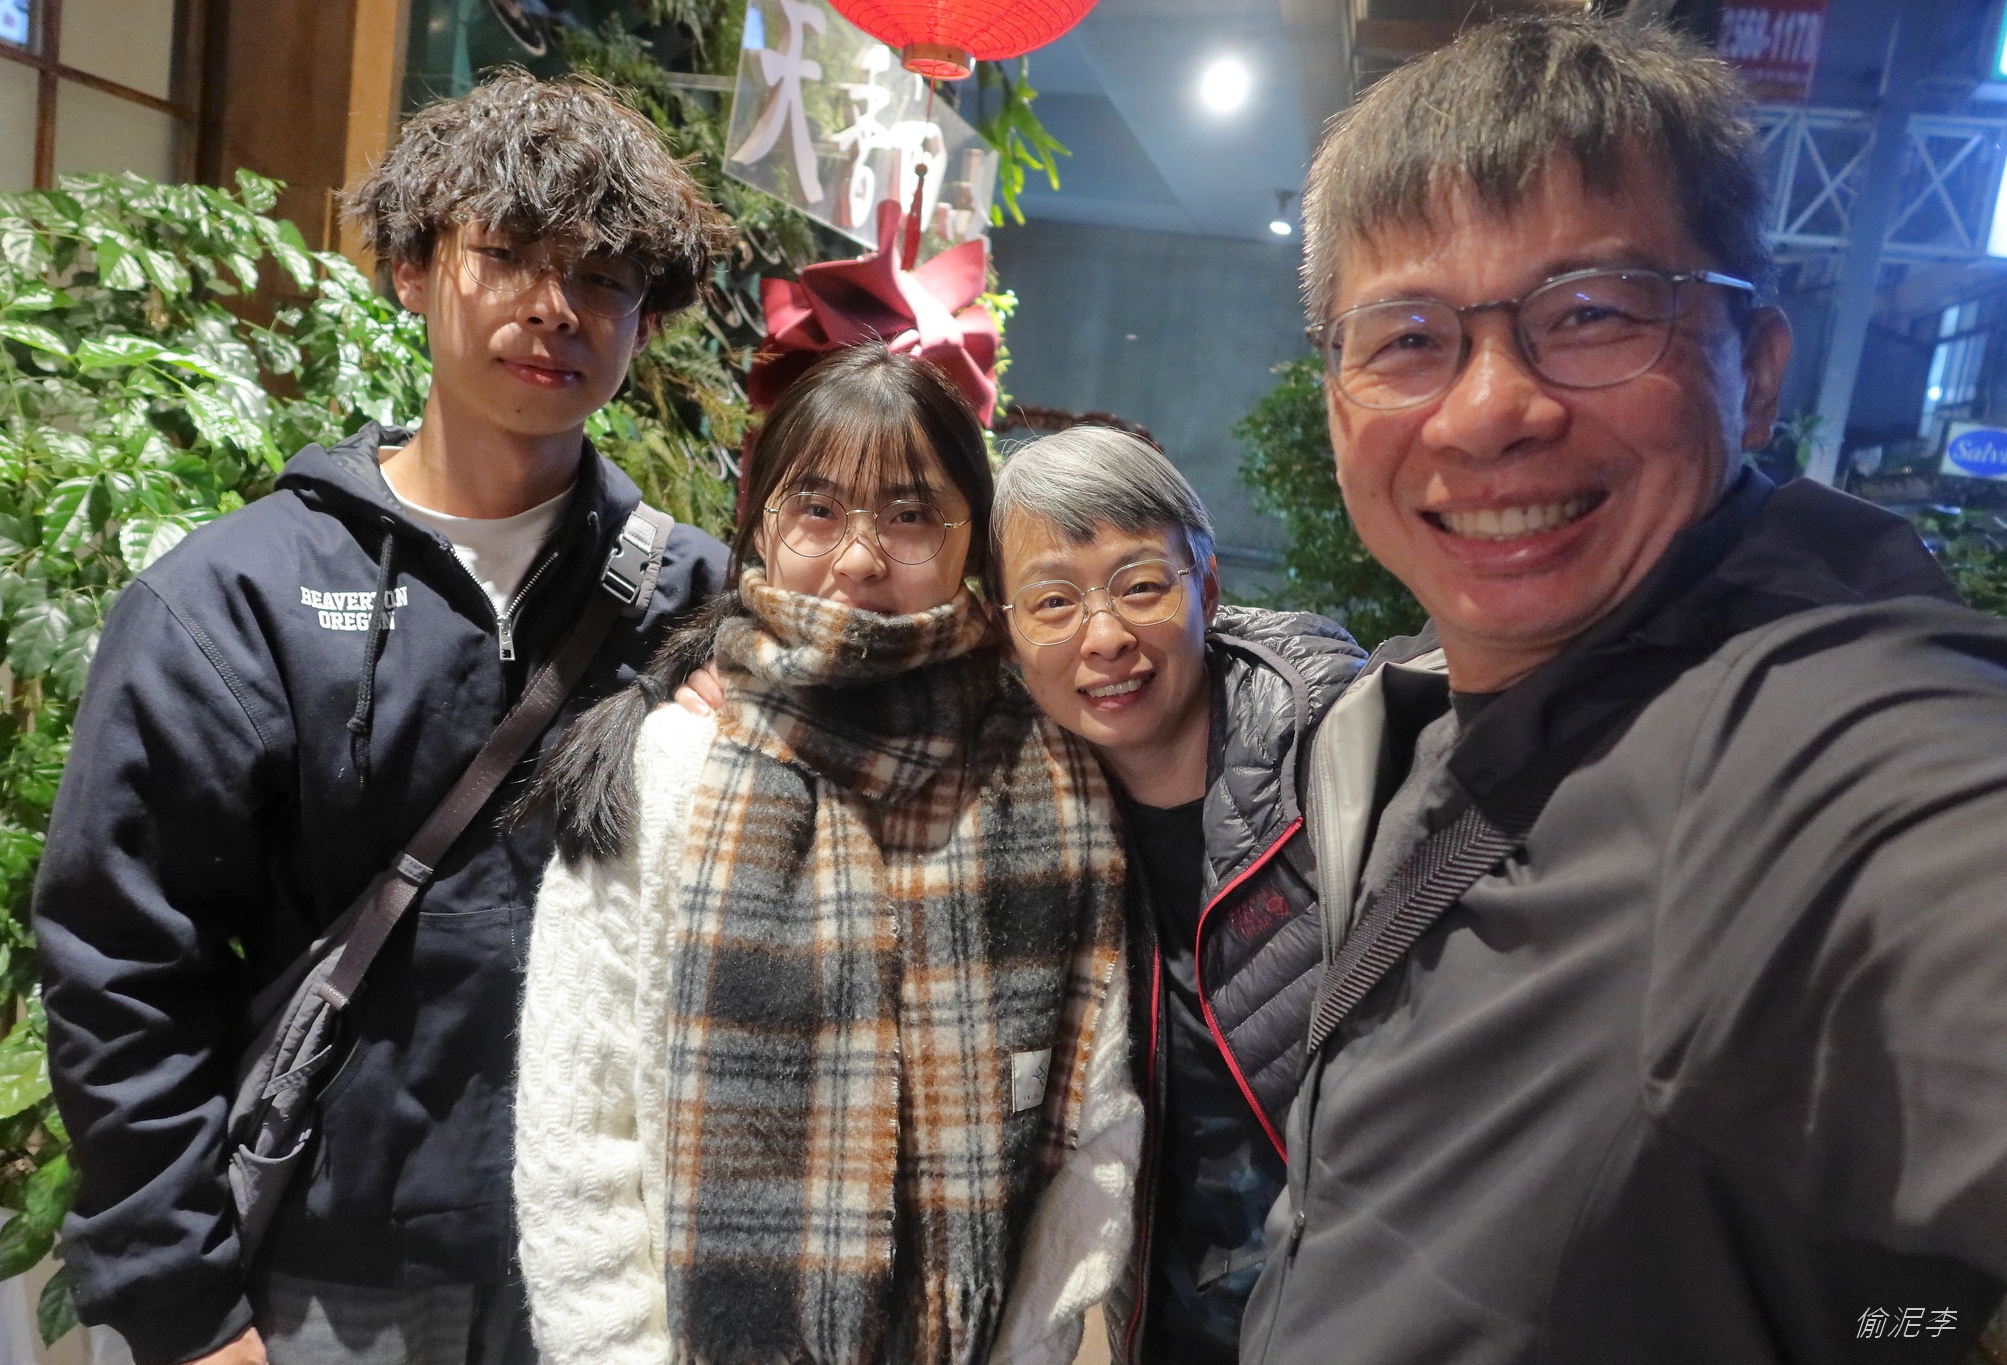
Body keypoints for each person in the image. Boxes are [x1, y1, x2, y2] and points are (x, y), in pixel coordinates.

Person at [1240, 15, 2007, 1365]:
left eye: (1591, 313)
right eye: (1408, 338)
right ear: (1337, 402)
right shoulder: (1413, 715)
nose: (1488, 410)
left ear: (1753, 370)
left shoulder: (1797, 747)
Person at [33, 72, 734, 1365]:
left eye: (603, 278)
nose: (554, 307)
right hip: (328, 1275)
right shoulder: (234, 597)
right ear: (412, 269)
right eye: (507, 255)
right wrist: (185, 1311)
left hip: (617, 1268)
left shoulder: (698, 604)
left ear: (645, 320)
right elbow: (121, 962)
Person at [511, 345, 1139, 1365]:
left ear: (971, 537)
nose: (857, 558)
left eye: (909, 514)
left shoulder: (1053, 776)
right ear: (761, 526)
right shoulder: (670, 766)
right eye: (816, 509)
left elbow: (1092, 1122)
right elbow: (578, 1128)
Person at [984, 429, 1364, 1364]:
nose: (1105, 636)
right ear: (1008, 634)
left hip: (1364, 1310)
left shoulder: (1342, 756)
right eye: (1054, 601)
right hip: (1168, 1328)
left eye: (1142, 584)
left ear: (1208, 587)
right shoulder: (1019, 807)